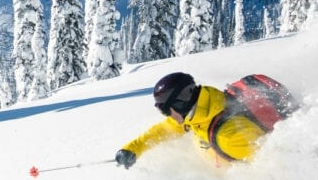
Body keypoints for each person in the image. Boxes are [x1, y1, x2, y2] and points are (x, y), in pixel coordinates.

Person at [115, 72, 269, 169]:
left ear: (180, 104)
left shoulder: (232, 137)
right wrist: (132, 149)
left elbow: (274, 168)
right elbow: (162, 131)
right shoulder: (198, 115)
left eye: (166, 110)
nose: (167, 116)